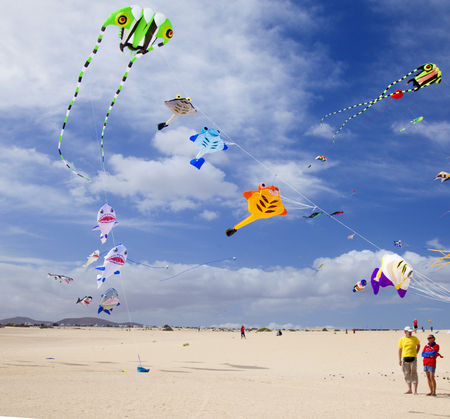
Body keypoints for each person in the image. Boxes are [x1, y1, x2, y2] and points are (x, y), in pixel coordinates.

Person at [398, 326, 420, 394]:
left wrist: (416, 352)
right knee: (407, 373)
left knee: (414, 373)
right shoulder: (402, 339)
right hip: (405, 358)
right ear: (405, 332)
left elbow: (418, 345)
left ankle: (415, 390)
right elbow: (400, 349)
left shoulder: (414, 338)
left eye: (411, 332)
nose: (410, 333)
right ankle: (409, 389)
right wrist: (399, 359)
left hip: (413, 358)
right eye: (409, 332)